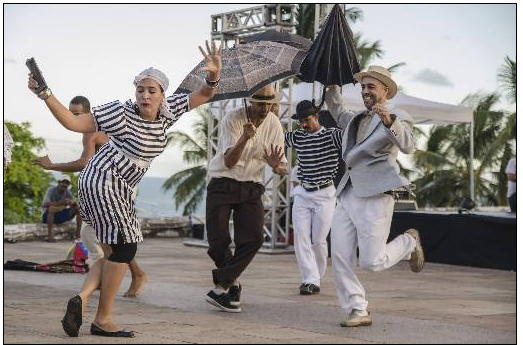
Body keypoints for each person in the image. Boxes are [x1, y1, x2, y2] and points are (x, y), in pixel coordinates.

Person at [28, 40, 222, 338]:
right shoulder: (120, 112)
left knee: (112, 252)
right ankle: (102, 320)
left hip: (115, 184)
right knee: (125, 248)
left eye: (151, 90)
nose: (144, 95)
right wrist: (45, 94)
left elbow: (205, 94)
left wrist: (213, 75)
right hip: (105, 180)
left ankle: (80, 300)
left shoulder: (170, 110)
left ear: (162, 94)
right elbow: (73, 122)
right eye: (140, 89)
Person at [325, 65, 424, 328]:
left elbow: (408, 145)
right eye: (363, 87)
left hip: (377, 192)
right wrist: (330, 84)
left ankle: (410, 241)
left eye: (371, 87)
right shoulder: (356, 119)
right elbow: (337, 110)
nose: (365, 91)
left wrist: (390, 120)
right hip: (347, 192)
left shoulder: (398, 115)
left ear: (385, 91)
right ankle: (357, 308)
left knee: (372, 262)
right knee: (340, 256)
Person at [33, 95, 148, 298]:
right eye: (71, 113)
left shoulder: (92, 130)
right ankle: (127, 275)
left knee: (95, 235)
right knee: (113, 238)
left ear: (87, 113)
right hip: (121, 185)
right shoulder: (111, 129)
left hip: (112, 188)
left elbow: (85, 162)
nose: (73, 117)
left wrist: (51, 166)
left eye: (76, 114)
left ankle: (120, 277)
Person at [205, 84, 288, 313]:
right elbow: (229, 162)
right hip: (223, 183)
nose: (265, 107)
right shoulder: (232, 119)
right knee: (217, 242)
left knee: (254, 239)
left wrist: (277, 167)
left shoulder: (274, 124)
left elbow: (282, 167)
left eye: (269, 102)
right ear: (250, 101)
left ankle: (224, 283)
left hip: (251, 185)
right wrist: (244, 138)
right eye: (261, 102)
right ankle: (233, 287)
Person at [284, 100, 342, 295]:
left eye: (307, 120)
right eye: (300, 121)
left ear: (317, 117)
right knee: (301, 237)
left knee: (318, 240)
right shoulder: (298, 136)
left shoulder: (333, 135)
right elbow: (274, 137)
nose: (303, 125)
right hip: (302, 193)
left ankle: (316, 276)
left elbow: (353, 139)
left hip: (325, 195)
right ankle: (310, 279)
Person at [41, 176, 82, 242]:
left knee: (79, 208)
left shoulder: (67, 192)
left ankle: (78, 235)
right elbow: (44, 204)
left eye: (67, 183)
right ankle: (50, 236)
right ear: (59, 182)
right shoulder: (51, 190)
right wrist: (60, 203)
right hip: (48, 216)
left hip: (60, 216)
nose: (65, 185)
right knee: (51, 208)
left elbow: (74, 203)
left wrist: (73, 203)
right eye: (63, 182)